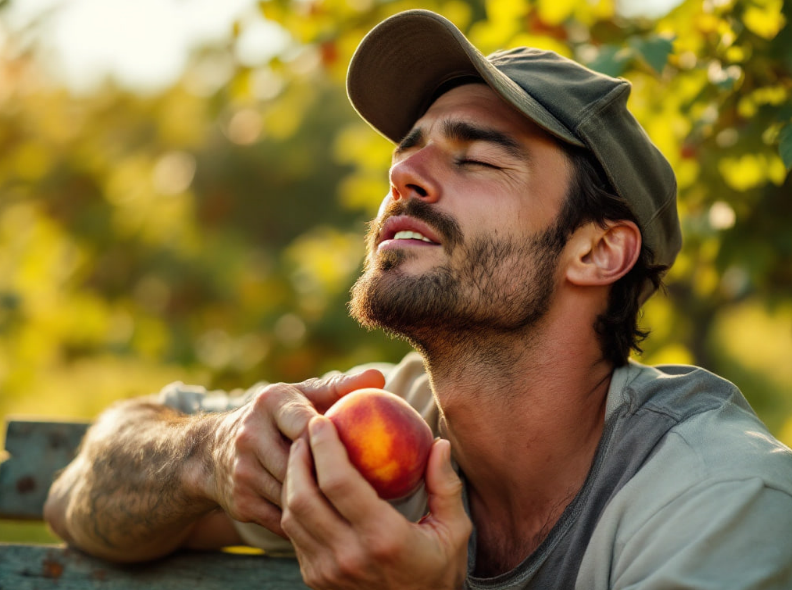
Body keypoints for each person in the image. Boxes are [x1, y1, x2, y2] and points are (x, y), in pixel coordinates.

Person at [44, 9, 792, 589]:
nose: (405, 176)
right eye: (407, 153)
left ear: (596, 251)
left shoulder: (717, 499)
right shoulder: (380, 437)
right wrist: (205, 455)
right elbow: (74, 498)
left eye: (473, 158)